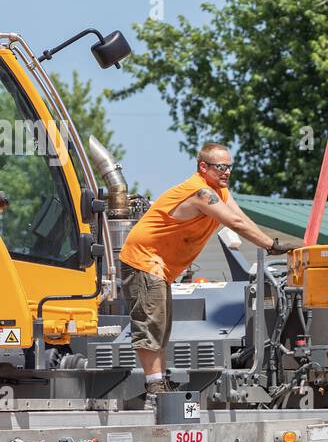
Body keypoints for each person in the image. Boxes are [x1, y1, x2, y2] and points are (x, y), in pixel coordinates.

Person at [119, 142, 299, 395]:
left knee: (160, 325)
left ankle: (159, 381)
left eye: (229, 167)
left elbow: (242, 218)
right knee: (152, 324)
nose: (226, 172)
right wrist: (270, 245)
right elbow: (234, 222)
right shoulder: (200, 192)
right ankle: (154, 385)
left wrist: (271, 243)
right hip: (144, 260)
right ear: (203, 167)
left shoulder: (219, 191)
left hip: (159, 266)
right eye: (220, 167)